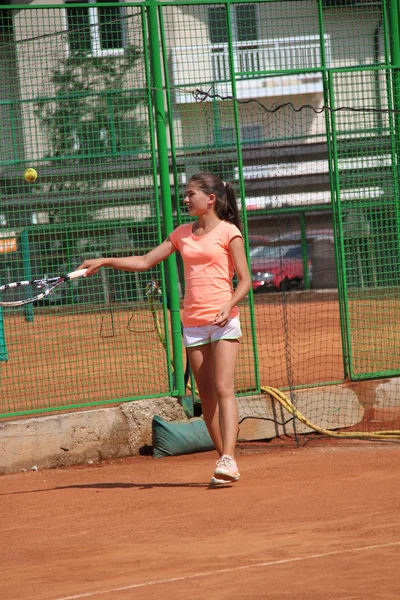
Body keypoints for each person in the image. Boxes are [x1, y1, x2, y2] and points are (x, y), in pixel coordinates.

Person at [78, 172, 251, 485]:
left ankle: (230, 457)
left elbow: (246, 280)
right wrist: (104, 261)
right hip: (194, 324)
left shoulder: (229, 233)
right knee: (206, 395)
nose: (185, 199)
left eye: (190, 194)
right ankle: (222, 459)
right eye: (185, 195)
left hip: (224, 321)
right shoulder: (182, 234)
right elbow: (145, 261)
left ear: (210, 199)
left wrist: (228, 305)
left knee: (224, 388)